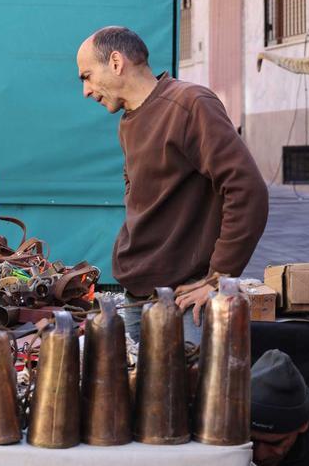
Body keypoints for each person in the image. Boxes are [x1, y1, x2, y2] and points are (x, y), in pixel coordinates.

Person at [75, 26, 268, 343]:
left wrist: (219, 278)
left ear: (115, 62)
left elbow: (247, 191)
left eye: (86, 76)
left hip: (186, 300)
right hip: (138, 294)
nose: (85, 90)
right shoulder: (127, 123)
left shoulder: (191, 104)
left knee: (196, 392)